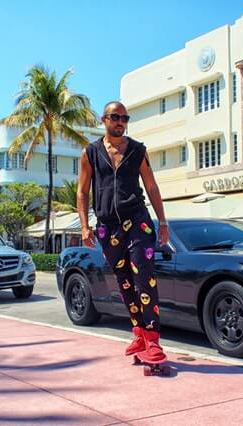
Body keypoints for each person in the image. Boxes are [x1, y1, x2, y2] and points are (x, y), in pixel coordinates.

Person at [77, 101, 170, 365]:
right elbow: (83, 192)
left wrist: (162, 222)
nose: (120, 122)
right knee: (125, 281)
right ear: (104, 120)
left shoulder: (138, 150)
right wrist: (85, 225)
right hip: (108, 226)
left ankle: (152, 339)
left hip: (138, 220)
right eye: (115, 117)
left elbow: (151, 187)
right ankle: (139, 333)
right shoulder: (90, 153)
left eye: (124, 118)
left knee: (145, 278)